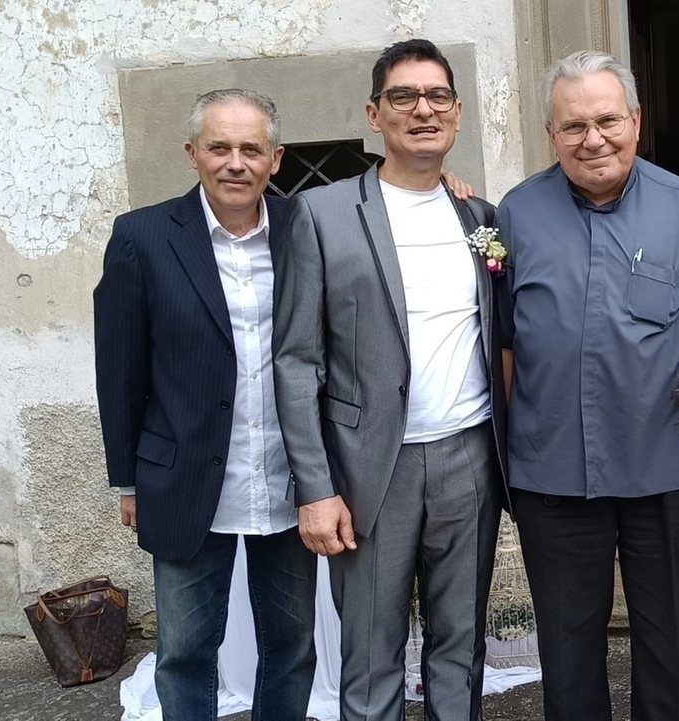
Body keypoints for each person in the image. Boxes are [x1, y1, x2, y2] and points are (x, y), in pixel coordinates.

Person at [494, 49, 679, 720]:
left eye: (607, 119)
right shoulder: (516, 213)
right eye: (573, 125)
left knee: (670, 653)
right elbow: (506, 346)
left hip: (667, 475)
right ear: (552, 133)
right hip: (553, 478)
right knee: (568, 656)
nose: (592, 138)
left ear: (636, 120)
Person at [272, 38, 508, 721]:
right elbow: (295, 361)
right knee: (369, 652)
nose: (422, 110)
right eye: (403, 97)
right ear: (374, 115)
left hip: (470, 457)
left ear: (458, 113)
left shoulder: (481, 218)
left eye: (437, 96)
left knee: (460, 642)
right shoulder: (320, 214)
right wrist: (314, 488)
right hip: (369, 467)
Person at [94, 88, 316, 720]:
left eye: (252, 148)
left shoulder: (306, 229)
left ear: (276, 159)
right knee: (187, 651)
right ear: (192, 153)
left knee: (292, 646)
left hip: (289, 475)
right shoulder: (141, 237)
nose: (235, 162)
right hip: (186, 479)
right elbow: (119, 369)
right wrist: (128, 479)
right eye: (219, 147)